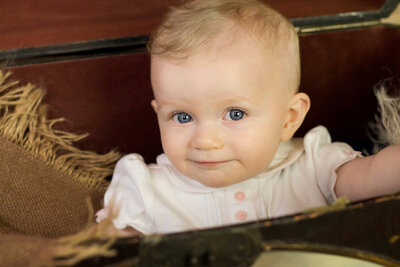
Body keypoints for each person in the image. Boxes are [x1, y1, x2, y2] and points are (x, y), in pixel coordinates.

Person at [96, 0, 400, 236]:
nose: (205, 140)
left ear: (288, 118)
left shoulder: (312, 167)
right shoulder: (147, 190)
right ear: (158, 113)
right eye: (182, 116)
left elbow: (374, 175)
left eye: (235, 113)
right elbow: (108, 251)